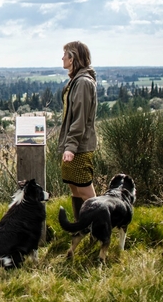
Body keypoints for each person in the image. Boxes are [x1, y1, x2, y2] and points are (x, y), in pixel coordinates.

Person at [58, 41, 98, 221]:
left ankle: (96, 231)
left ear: (73, 57)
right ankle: (80, 227)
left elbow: (79, 119)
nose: (62, 58)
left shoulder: (82, 83)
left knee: (85, 191)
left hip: (79, 147)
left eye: (65, 54)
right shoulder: (76, 81)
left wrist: (71, 147)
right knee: (74, 188)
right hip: (74, 145)